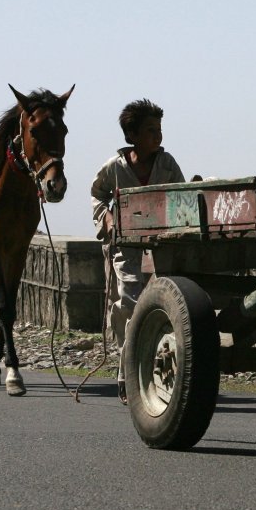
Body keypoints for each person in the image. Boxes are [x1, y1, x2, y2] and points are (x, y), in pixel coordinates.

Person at [90, 99, 184, 404]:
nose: (157, 136)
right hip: (125, 243)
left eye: (159, 130)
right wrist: (105, 216)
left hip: (159, 244)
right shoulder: (115, 167)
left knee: (163, 302)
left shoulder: (167, 164)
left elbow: (181, 196)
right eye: (150, 130)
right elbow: (97, 194)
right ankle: (127, 374)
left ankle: (146, 373)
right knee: (129, 304)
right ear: (133, 136)